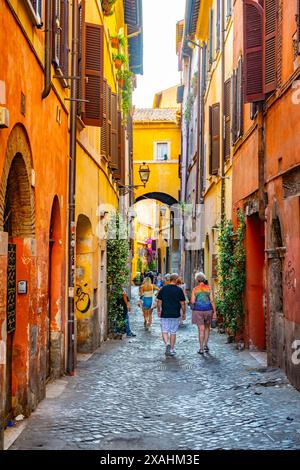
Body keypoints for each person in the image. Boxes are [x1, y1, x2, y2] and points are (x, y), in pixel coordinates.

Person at [156, 273, 186, 356]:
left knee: (164, 331)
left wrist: (158, 310)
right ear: (176, 280)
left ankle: (167, 344)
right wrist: (183, 313)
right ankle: (172, 349)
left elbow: (159, 301)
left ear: (170, 280)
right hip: (175, 314)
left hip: (165, 313)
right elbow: (183, 303)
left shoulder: (163, 289)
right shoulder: (179, 290)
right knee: (173, 332)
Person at [190, 272, 217, 355]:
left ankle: (201, 349)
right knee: (207, 328)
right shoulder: (209, 288)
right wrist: (215, 312)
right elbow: (212, 301)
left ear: (197, 280)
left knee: (200, 330)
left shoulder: (195, 289)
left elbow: (192, 301)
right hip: (208, 310)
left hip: (198, 311)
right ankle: (206, 345)